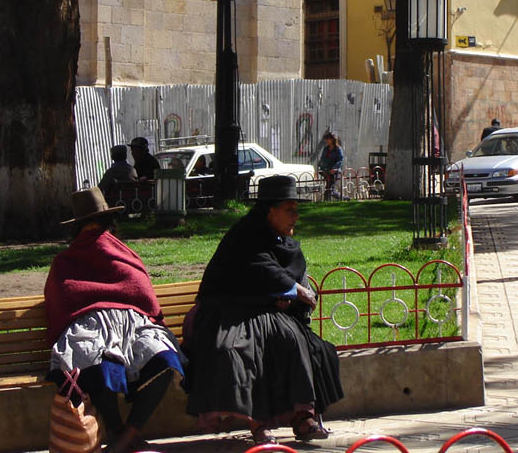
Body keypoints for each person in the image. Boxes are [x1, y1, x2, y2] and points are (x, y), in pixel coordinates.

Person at [183, 175, 343, 445]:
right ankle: (259, 426)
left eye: (297, 210)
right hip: (227, 312)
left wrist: (285, 295)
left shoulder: (286, 244)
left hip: (268, 314)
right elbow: (257, 272)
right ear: (270, 211)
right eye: (289, 210)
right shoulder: (244, 237)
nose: (296, 217)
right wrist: (285, 291)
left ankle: (303, 417)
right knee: (243, 348)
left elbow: (286, 278)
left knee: (293, 341)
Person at [45, 187, 186, 453]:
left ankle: (123, 436)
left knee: (164, 358)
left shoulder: (72, 259)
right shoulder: (72, 260)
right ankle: (122, 433)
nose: (97, 235)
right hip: (93, 325)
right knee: (94, 360)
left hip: (131, 324)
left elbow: (138, 290)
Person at [318, 131, 344, 200]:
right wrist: (321, 167)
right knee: (329, 188)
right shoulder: (326, 148)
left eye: (327, 139)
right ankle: (342, 198)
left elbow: (340, 160)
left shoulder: (338, 149)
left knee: (330, 188)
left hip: (334, 172)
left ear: (332, 139)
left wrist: (335, 168)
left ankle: (343, 198)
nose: (326, 140)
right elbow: (322, 159)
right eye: (326, 139)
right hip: (327, 171)